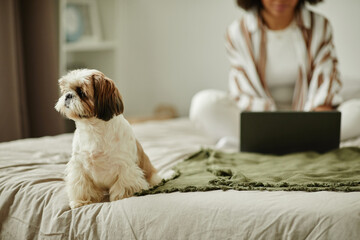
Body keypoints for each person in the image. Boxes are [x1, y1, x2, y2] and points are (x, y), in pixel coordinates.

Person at [190, 0, 360, 147]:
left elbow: (325, 80)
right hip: (259, 118)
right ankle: (300, 142)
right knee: (203, 105)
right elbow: (243, 92)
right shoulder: (237, 32)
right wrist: (273, 125)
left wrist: (316, 118)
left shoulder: (320, 25)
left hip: (310, 116)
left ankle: (274, 143)